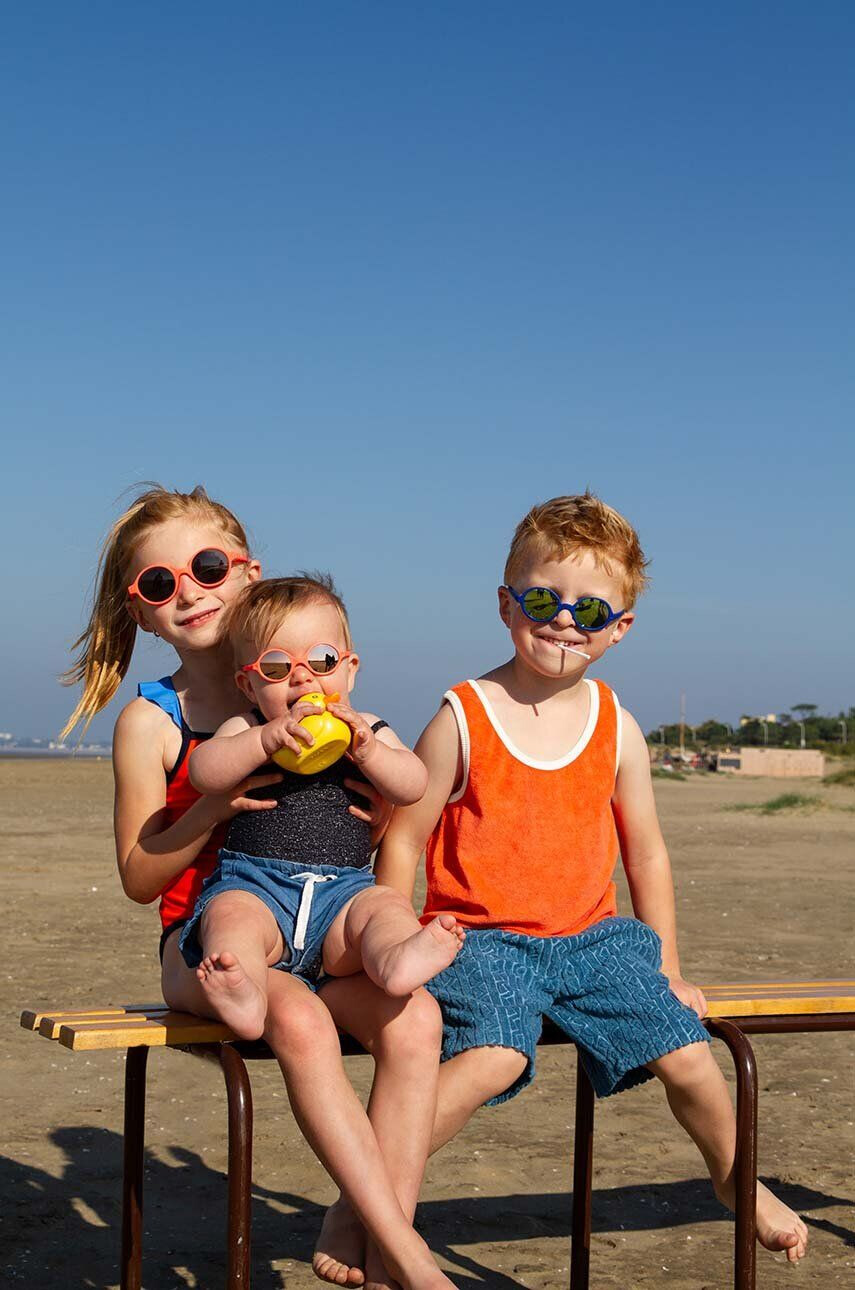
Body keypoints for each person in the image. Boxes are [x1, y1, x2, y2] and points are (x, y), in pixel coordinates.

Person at [375, 491, 808, 1265]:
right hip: (480, 941)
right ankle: (370, 1197)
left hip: (591, 941)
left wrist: (668, 967)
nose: (564, 620)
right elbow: (403, 840)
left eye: (591, 610)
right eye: (541, 598)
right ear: (506, 602)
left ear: (621, 628)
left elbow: (645, 854)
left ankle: (737, 1181)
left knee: (689, 1054)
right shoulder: (462, 714)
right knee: (495, 1056)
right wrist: (397, 940)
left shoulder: (617, 727)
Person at [63, 485, 457, 1290]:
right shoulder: (156, 720)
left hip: (322, 927)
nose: (191, 590)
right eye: (158, 584)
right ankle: (411, 1255)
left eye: (208, 566)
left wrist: (374, 829)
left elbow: (388, 814)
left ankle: (380, 1255)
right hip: (209, 947)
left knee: (416, 1019)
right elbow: (140, 878)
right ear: (138, 612)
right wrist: (213, 807)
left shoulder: (316, 685)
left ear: (248, 572)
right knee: (303, 1022)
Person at [184, 574, 465, 1037]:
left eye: (322, 659)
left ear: (350, 669)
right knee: (230, 916)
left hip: (343, 895)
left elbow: (414, 784)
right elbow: (205, 772)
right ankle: (245, 993)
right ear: (249, 685)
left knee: (383, 906)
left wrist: (369, 751)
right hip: (258, 886)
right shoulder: (248, 725)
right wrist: (263, 739)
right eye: (276, 667)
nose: (302, 676)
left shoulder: (366, 727)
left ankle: (396, 958)